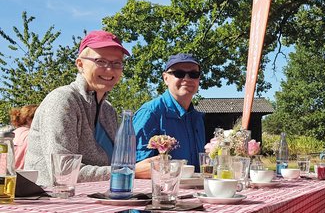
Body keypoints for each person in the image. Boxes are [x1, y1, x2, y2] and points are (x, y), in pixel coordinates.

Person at [25, 30, 148, 186]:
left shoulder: (108, 111)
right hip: (52, 202)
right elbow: (63, 172)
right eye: (101, 61)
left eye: (116, 63)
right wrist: (130, 171)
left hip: (97, 199)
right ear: (80, 64)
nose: (109, 69)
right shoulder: (62, 101)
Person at [133, 53, 205, 176]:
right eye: (179, 73)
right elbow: (137, 168)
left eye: (193, 74)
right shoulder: (150, 113)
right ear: (165, 78)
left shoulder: (198, 118)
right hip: (162, 192)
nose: (187, 79)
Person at [9, 104, 38, 169]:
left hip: (8, 176)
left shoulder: (12, 134)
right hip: (25, 176)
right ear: (28, 119)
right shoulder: (32, 136)